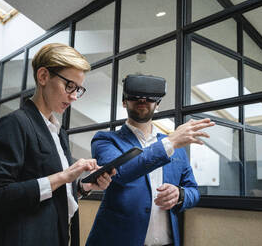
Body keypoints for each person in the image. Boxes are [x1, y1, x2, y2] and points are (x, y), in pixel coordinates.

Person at [0, 43, 115, 246]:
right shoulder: (14, 123)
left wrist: (81, 187)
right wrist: (63, 176)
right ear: (43, 76)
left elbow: (50, 194)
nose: (74, 96)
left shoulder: (59, 134)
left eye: (78, 89)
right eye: (69, 86)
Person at [86, 74, 215, 246]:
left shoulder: (175, 147)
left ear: (157, 104)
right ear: (124, 102)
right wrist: (171, 142)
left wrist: (180, 194)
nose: (142, 100)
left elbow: (193, 191)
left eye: (149, 98)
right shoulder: (105, 140)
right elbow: (122, 172)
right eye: (135, 97)